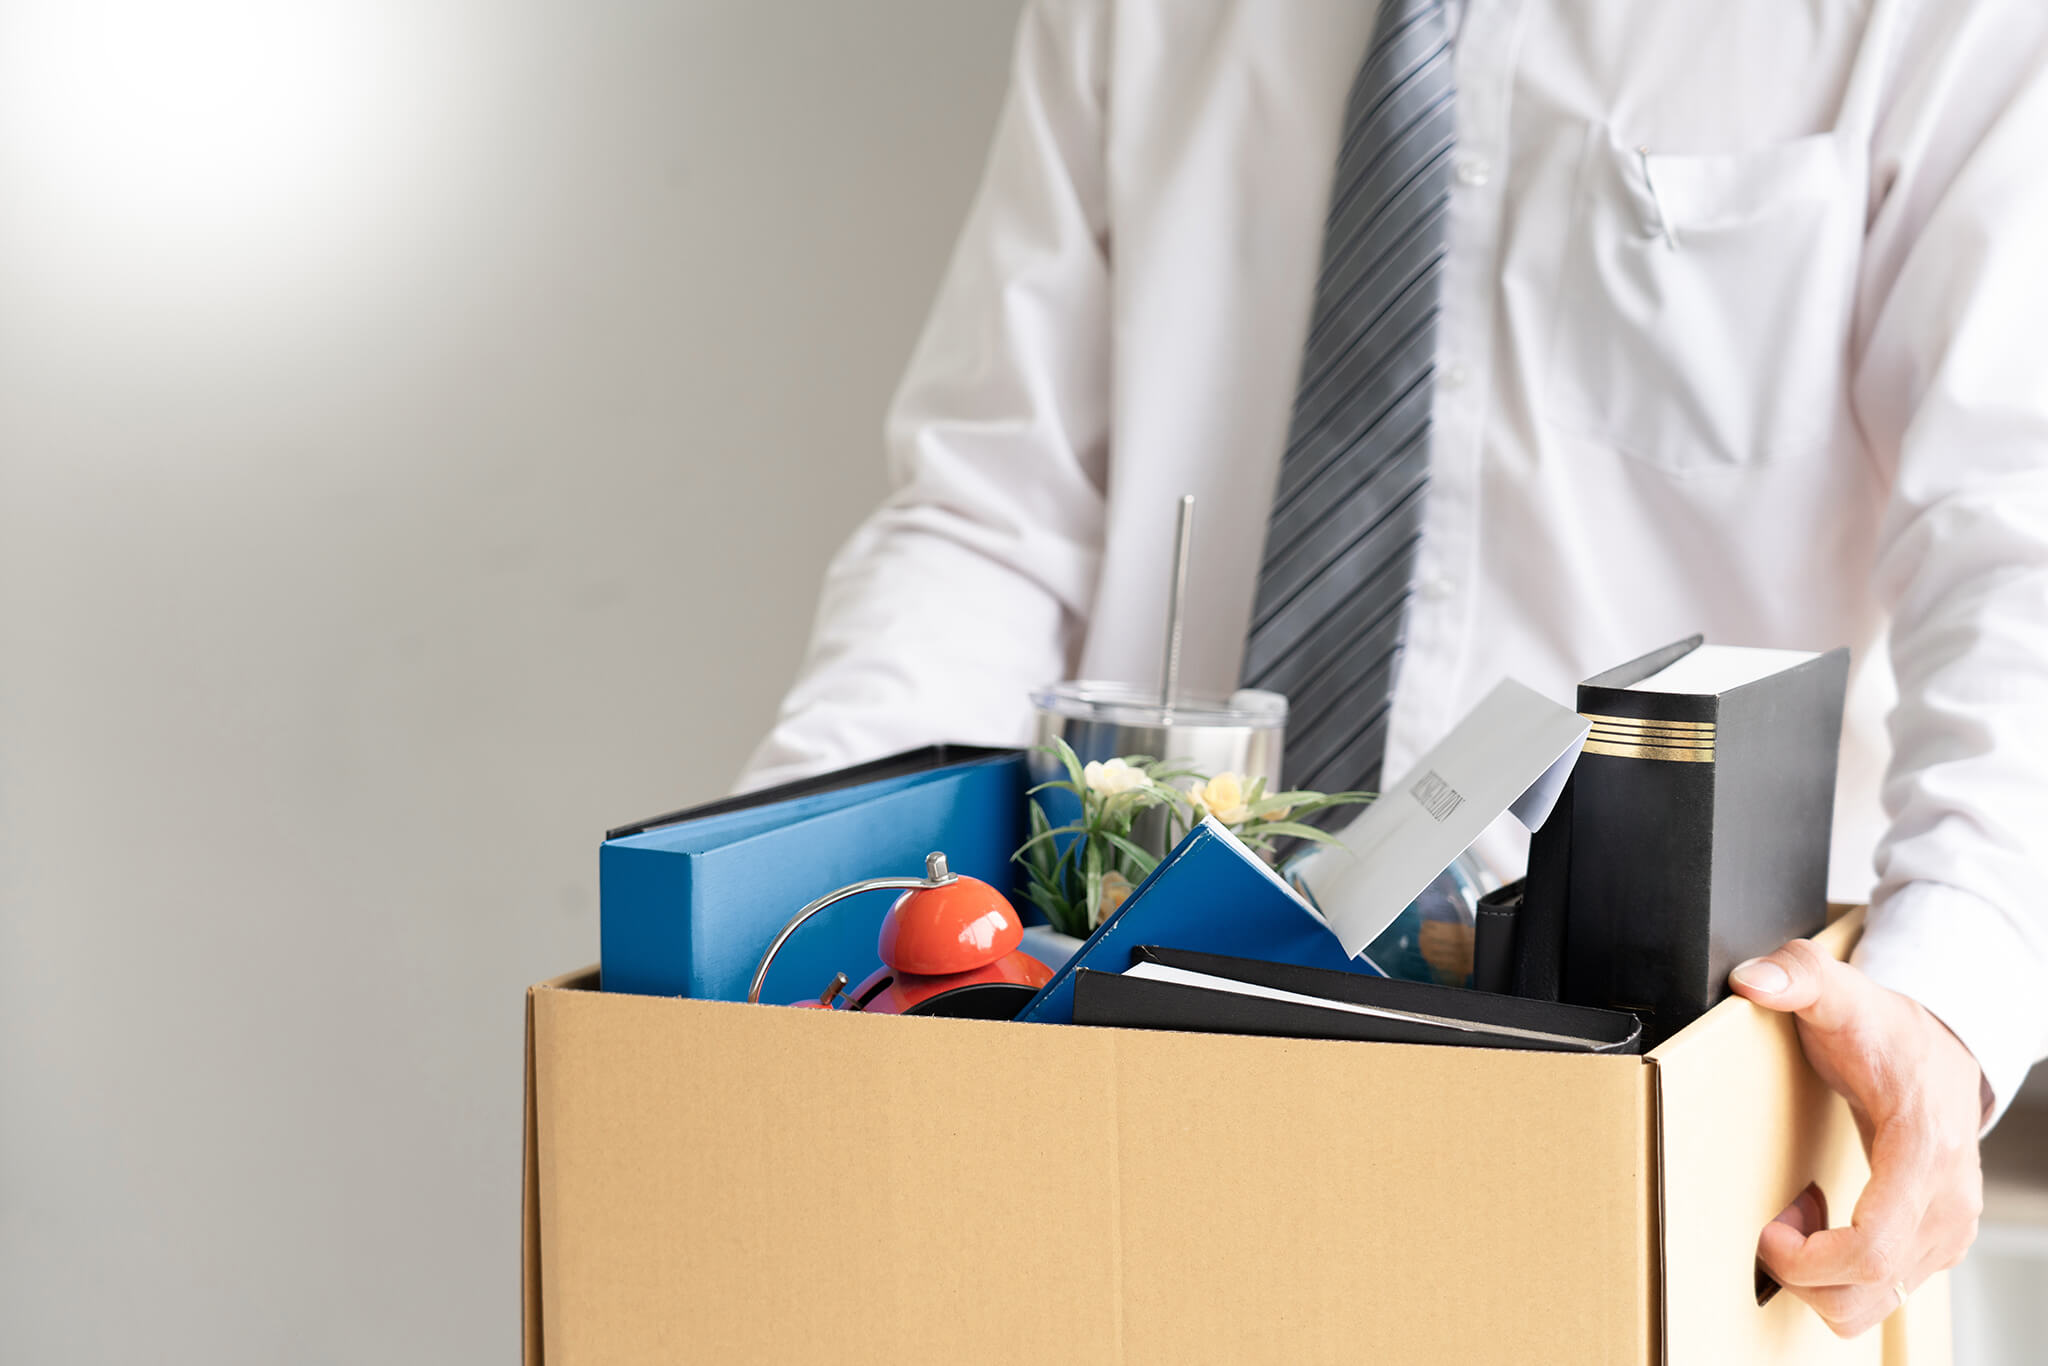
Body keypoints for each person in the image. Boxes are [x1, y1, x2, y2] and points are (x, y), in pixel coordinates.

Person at [740, 0, 2048, 1338]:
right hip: (1127, 1084)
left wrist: (1951, 998)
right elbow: (995, 511)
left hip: (1655, 1108)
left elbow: (2018, 540)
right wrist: (768, 916)